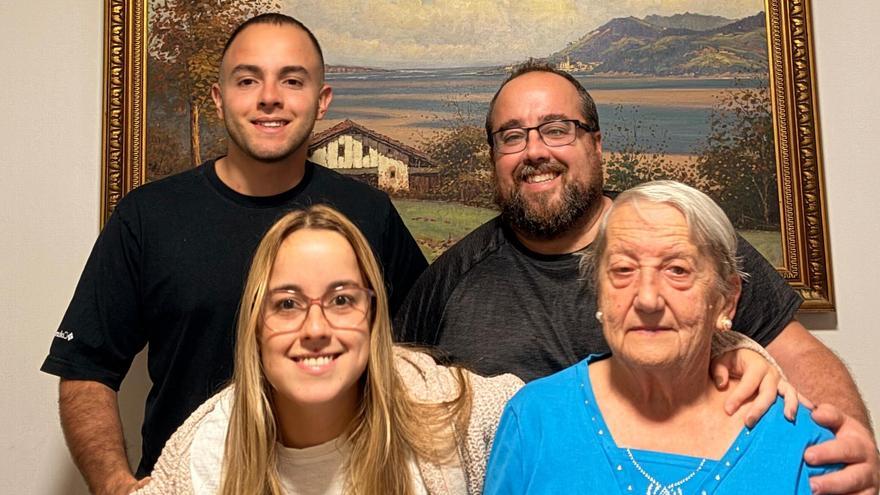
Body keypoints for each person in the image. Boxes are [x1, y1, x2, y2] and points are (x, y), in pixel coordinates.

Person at [395, 61, 878, 492]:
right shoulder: (451, 279)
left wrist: (849, 449)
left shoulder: (685, 234)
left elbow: (799, 354)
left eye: (557, 129)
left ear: (596, 144)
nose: (534, 150)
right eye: (512, 136)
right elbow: (390, 386)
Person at [41, 13, 427, 495]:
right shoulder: (149, 215)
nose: (269, 97)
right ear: (219, 98)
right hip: (188, 483)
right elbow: (85, 368)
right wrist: (114, 484)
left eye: (292, 80)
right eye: (248, 80)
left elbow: (418, 358)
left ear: (322, 100)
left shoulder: (368, 214)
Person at [135, 205, 522, 495]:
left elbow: (542, 411)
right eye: (287, 304)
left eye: (342, 300)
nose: (316, 329)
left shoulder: (449, 411)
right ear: (255, 325)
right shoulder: (207, 451)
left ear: (373, 318)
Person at [484, 181, 841, 494]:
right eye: (623, 269)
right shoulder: (534, 418)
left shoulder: (801, 439)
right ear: (599, 292)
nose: (647, 299)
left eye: (677, 270)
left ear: (726, 299)